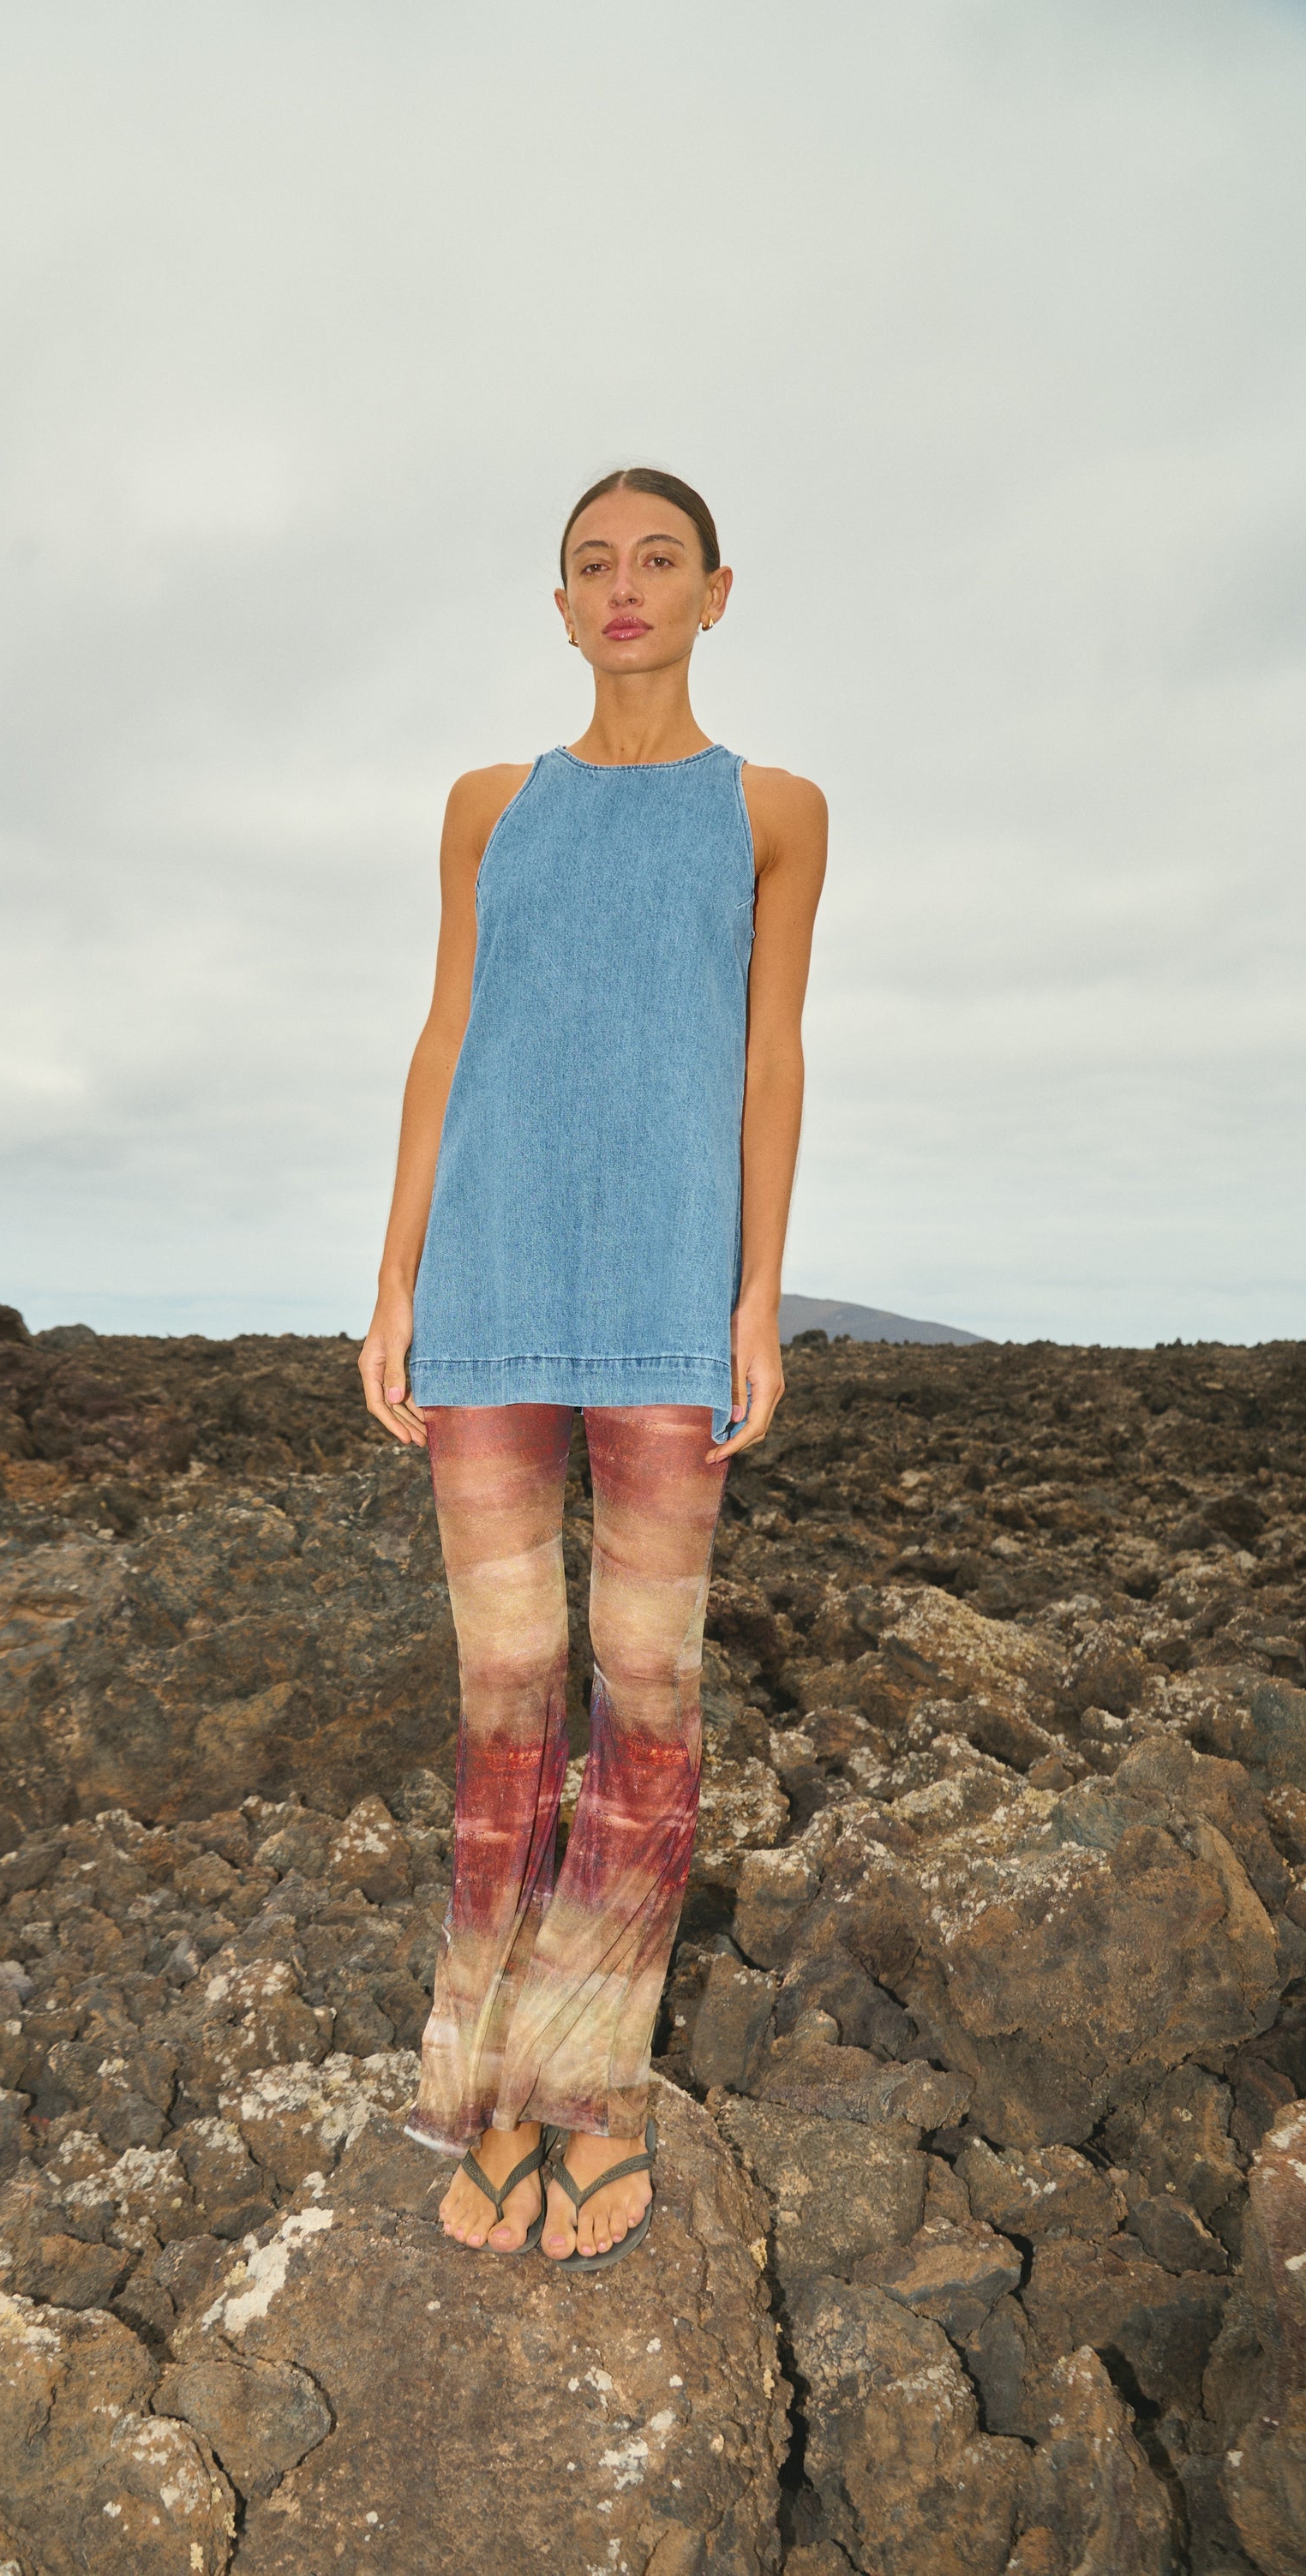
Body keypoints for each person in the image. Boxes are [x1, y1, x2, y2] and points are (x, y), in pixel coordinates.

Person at [359, 466, 826, 2267]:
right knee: (503, 1714)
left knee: (645, 1711)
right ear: (558, 608)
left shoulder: (774, 814)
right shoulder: (491, 806)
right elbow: (445, 1031)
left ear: (717, 592)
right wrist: (394, 1278)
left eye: (656, 561)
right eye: (589, 566)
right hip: (486, 1287)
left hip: (659, 1300)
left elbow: (770, 1058)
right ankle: (480, 2090)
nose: (622, 588)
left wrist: (756, 1294)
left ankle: (593, 2093)